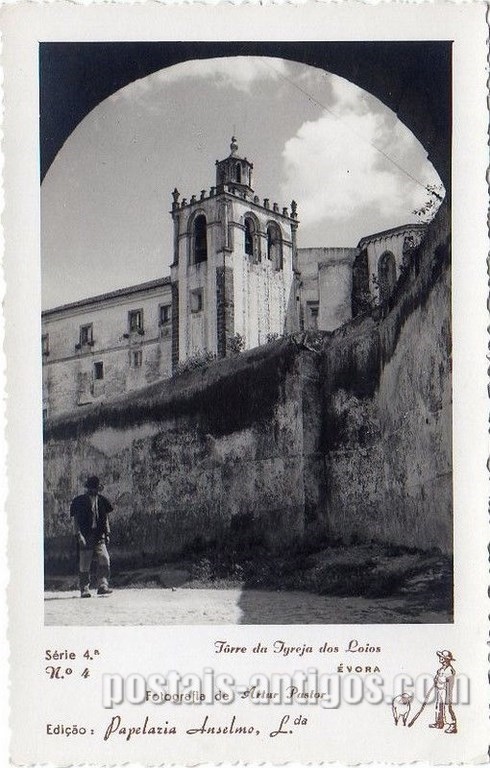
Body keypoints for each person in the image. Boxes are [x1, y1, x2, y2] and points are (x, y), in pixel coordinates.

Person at [70, 476, 113, 598]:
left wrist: (107, 533)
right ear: (88, 488)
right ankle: (84, 588)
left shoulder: (102, 501)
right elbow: (76, 520)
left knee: (105, 558)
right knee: (84, 563)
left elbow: (105, 519)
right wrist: (79, 535)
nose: (94, 490)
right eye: (92, 488)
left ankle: (103, 585)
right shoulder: (79, 501)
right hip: (86, 535)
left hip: (99, 535)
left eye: (96, 488)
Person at [429, 649, 457, 733]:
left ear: (447, 659)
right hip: (440, 690)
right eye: (440, 656)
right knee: (439, 706)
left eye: (442, 657)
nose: (440, 658)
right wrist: (436, 680)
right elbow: (437, 677)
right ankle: (439, 723)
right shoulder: (441, 669)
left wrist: (447, 693)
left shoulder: (450, 670)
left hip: (446, 691)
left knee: (447, 708)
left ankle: (452, 726)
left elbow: (449, 682)